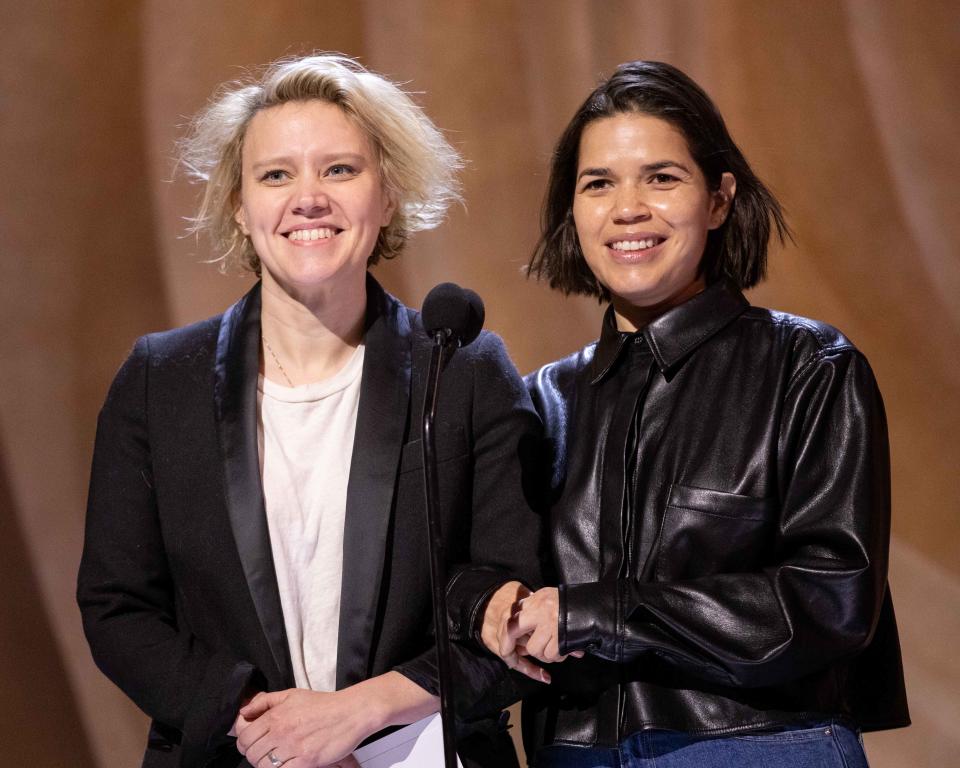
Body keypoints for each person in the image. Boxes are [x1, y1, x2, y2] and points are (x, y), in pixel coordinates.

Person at [77, 54, 542, 768]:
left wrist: (358, 714)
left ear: (387, 195)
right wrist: (262, 727)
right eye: (276, 175)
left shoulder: (466, 371)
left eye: (340, 170)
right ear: (239, 204)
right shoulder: (157, 381)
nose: (308, 198)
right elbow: (118, 607)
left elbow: (516, 612)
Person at [486, 61, 909, 767]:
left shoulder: (809, 368)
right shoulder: (540, 402)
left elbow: (831, 598)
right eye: (599, 184)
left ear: (719, 200)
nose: (628, 209)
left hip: (757, 745)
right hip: (574, 753)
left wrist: (599, 613)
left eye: (662, 178)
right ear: (572, 212)